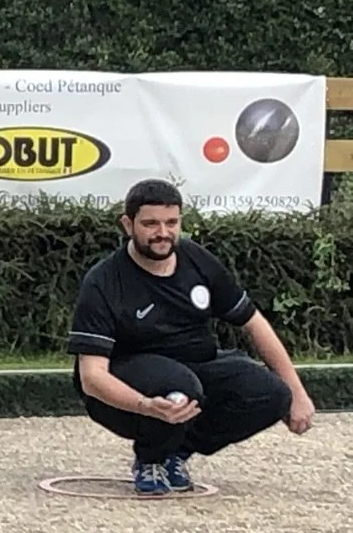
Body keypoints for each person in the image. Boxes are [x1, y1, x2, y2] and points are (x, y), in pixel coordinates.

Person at [70, 178, 314, 494]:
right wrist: (145, 406)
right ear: (128, 224)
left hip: (194, 368)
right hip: (126, 382)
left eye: (172, 222)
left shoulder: (197, 260)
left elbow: (253, 322)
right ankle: (150, 459)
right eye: (151, 223)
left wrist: (297, 392)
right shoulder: (103, 281)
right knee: (180, 386)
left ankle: (176, 453)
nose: (163, 232)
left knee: (273, 393)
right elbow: (91, 378)